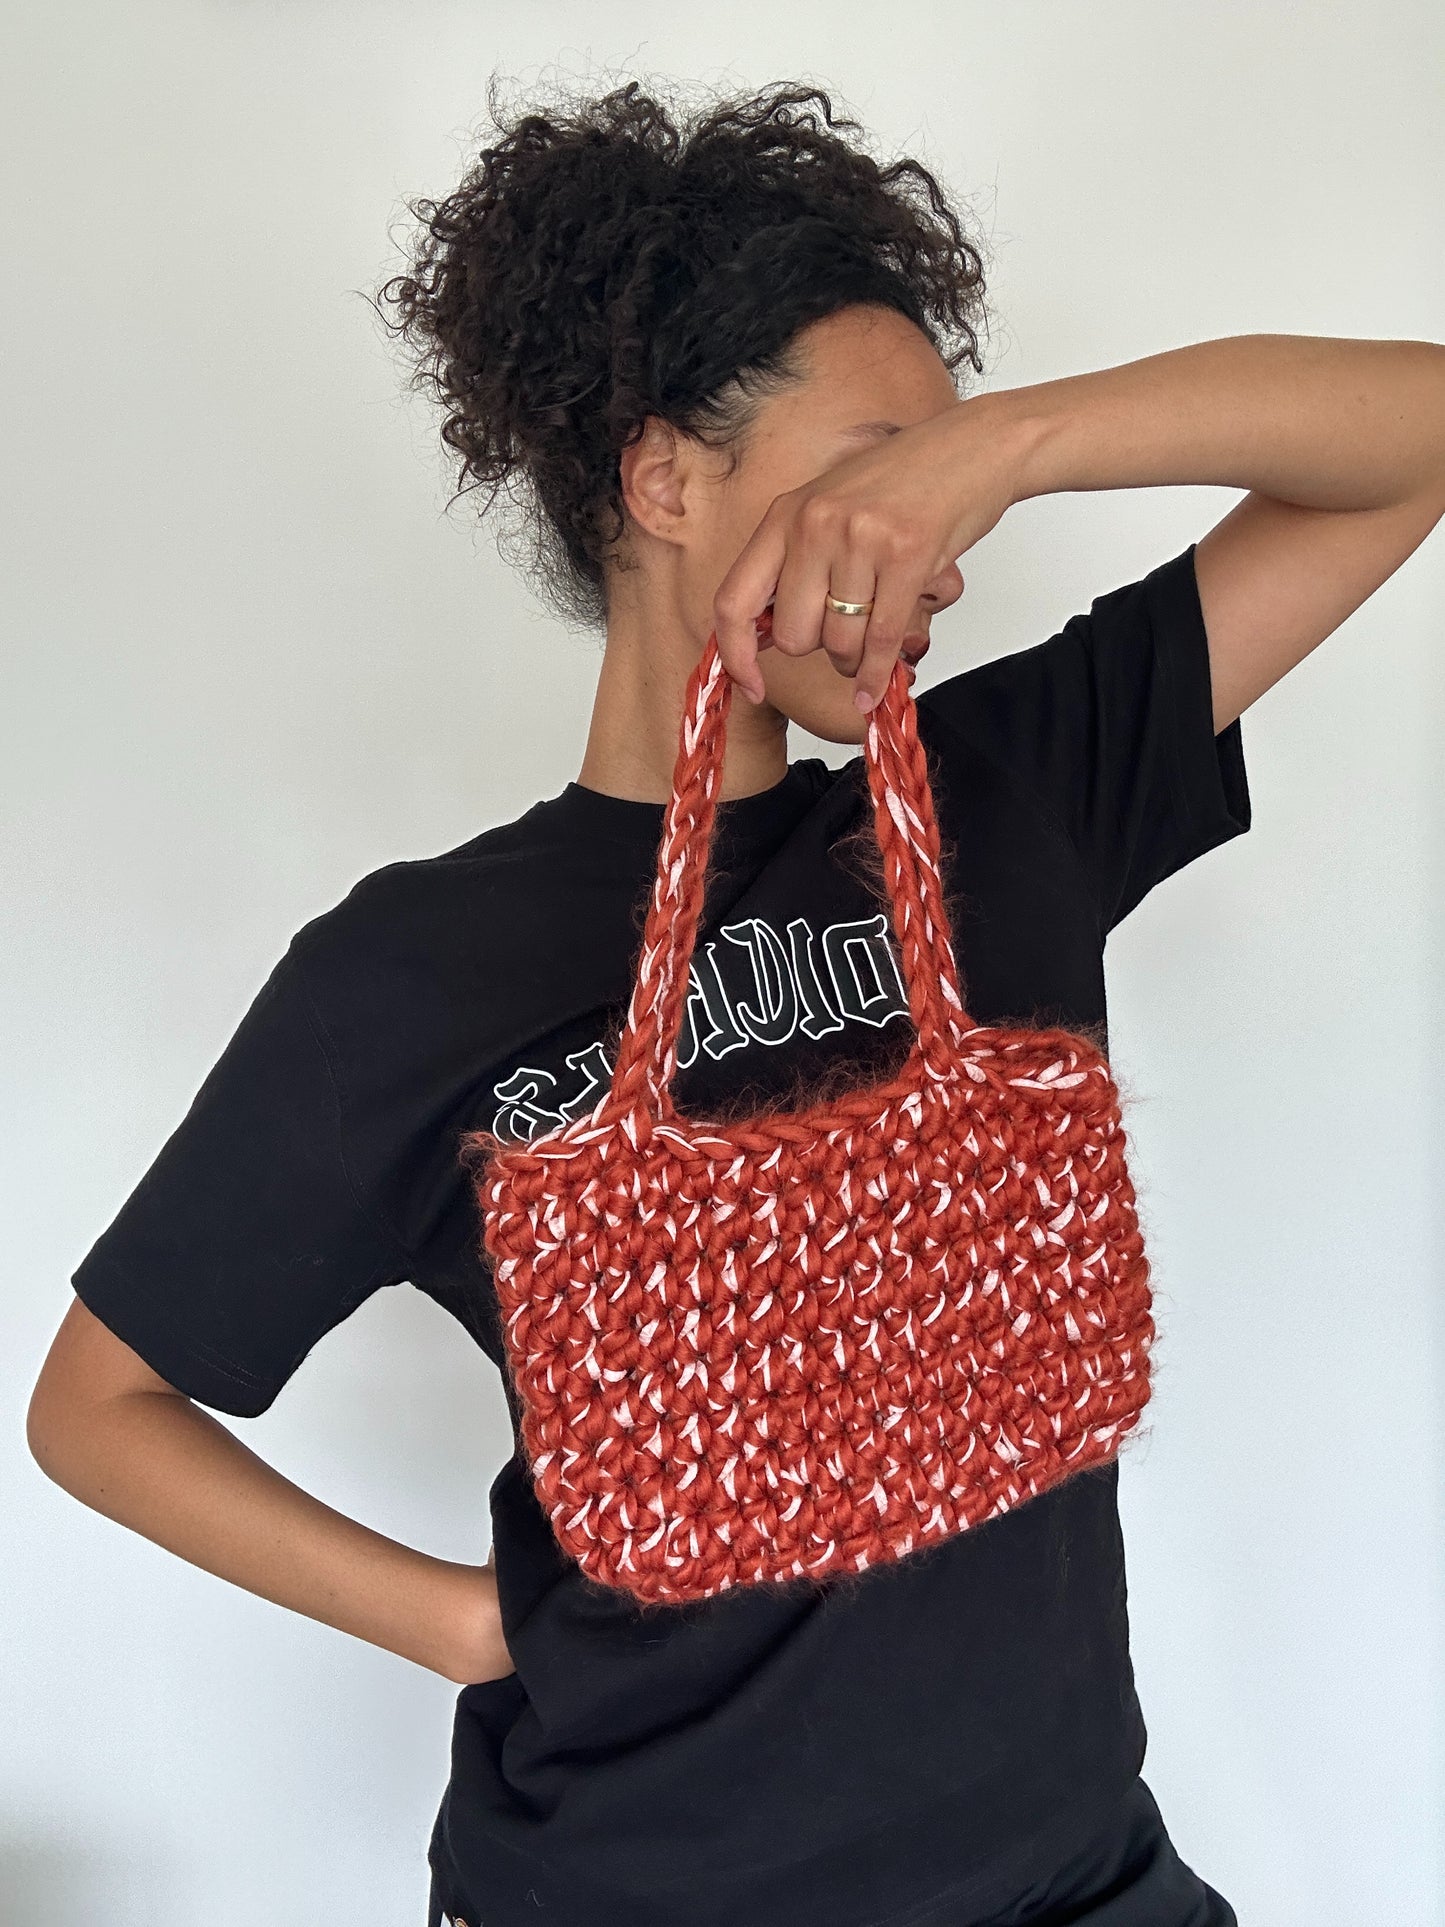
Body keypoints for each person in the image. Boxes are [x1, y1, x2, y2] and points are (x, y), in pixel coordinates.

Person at [26, 74, 1444, 1927]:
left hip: (1075, 1884)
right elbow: (96, 1408)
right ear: (662, 477)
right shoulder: (421, 968)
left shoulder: (1017, 796)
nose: (927, 548)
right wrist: (467, 1625)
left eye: (940, 489)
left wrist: (1005, 444)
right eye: (868, 463)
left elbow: (1414, 431)